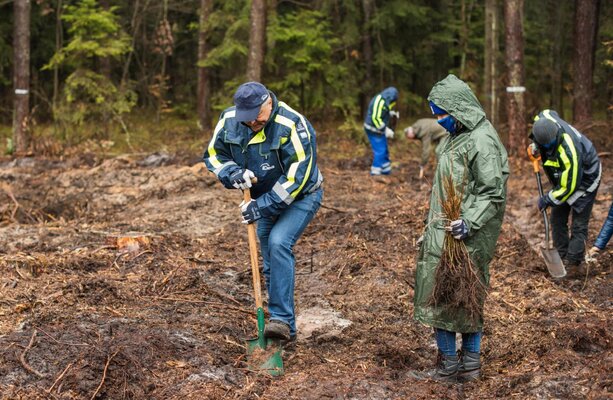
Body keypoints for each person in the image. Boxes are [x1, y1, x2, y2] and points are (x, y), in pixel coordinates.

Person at [203, 82, 323, 342]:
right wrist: (232, 173)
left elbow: (297, 178)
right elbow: (214, 155)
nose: (252, 124)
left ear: (268, 102)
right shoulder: (230, 120)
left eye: (257, 117)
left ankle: (280, 318)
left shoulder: (292, 124)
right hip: (262, 198)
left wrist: (261, 206)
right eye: (247, 119)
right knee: (270, 255)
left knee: (279, 243)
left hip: (301, 196)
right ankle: (283, 328)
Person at [412, 74, 509, 383]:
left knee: (459, 296)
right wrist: (431, 227)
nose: (439, 120)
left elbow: (492, 191)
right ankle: (458, 364)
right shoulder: (458, 135)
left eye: (442, 113)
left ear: (458, 108)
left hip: (466, 236)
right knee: (445, 295)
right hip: (444, 230)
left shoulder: (482, 139)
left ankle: (461, 365)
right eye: (436, 113)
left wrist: (469, 221)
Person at [528, 110, 601, 273]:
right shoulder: (543, 120)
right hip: (566, 177)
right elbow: (546, 112)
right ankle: (560, 256)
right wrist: (535, 145)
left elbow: (570, 186)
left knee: (579, 224)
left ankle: (573, 264)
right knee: (557, 218)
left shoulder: (569, 151)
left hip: (586, 178)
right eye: (543, 144)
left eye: (549, 144)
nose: (547, 148)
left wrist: (548, 198)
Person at [363, 87, 399, 175]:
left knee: (385, 149)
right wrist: (385, 129)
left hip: (379, 130)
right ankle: (375, 172)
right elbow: (375, 118)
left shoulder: (385, 100)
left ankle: (386, 170)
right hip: (373, 129)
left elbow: (383, 110)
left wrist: (390, 114)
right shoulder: (379, 100)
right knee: (380, 150)